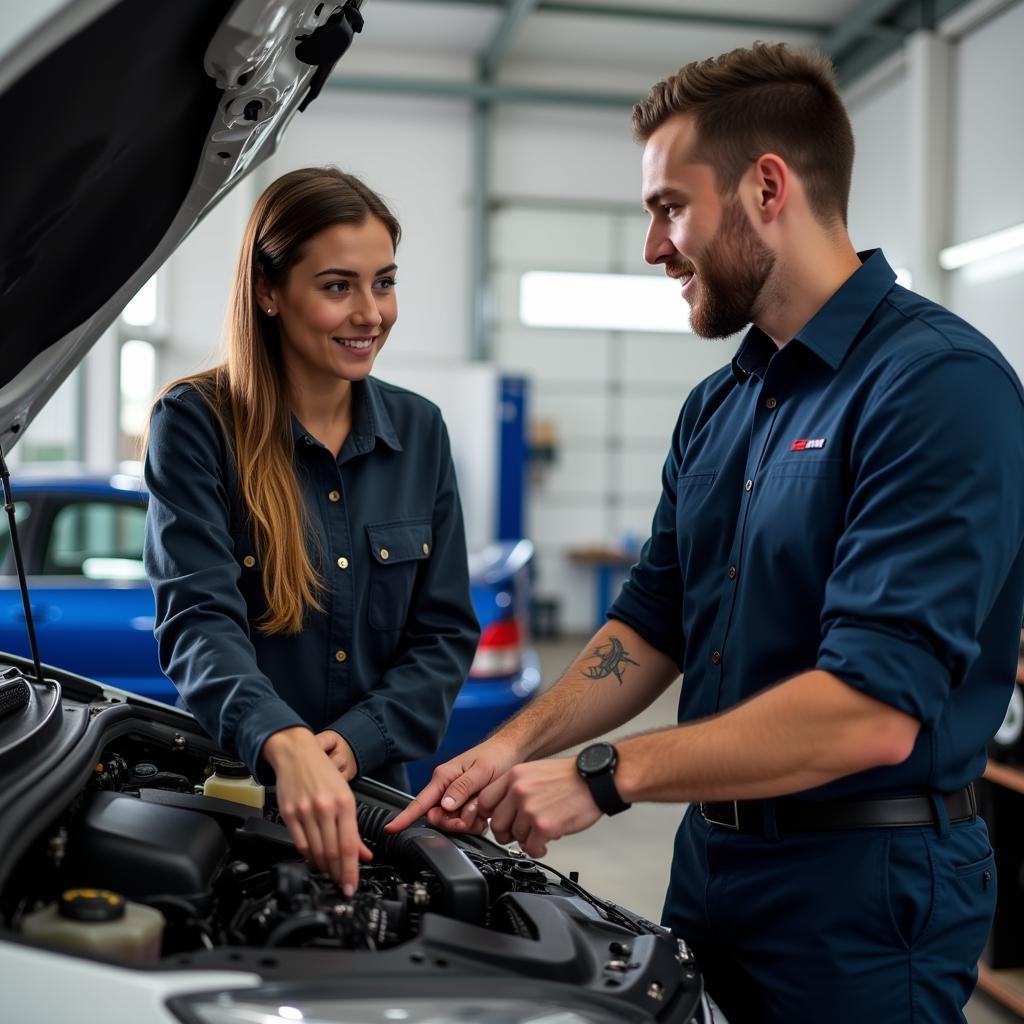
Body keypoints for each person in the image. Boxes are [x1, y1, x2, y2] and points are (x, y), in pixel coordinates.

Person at [388, 43, 1024, 1022]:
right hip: (714, 865)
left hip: (862, 891)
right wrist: (512, 745)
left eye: (668, 207)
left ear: (766, 185)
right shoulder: (719, 406)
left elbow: (870, 707)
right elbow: (653, 622)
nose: (655, 248)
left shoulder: (933, 386)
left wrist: (606, 773)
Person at [144, 167, 479, 897]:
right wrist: (281, 739)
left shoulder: (421, 432)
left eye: (384, 283)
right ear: (269, 292)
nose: (371, 313)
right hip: (227, 804)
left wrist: (355, 744)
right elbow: (198, 621)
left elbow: (445, 633)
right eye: (338, 286)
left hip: (373, 811)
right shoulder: (197, 424)